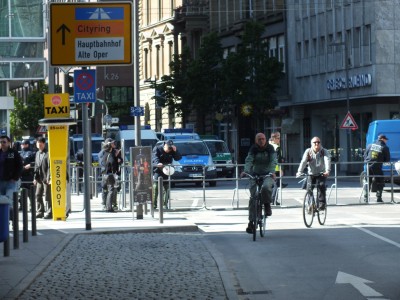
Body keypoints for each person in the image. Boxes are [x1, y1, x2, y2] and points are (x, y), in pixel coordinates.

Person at [241, 133, 276, 234]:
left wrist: (272, 172)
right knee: (253, 197)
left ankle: (267, 204)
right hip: (255, 174)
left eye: (263, 139)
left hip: (267, 174)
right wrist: (246, 171)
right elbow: (249, 160)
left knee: (266, 187)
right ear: (256, 140)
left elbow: (273, 161)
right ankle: (251, 221)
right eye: (259, 139)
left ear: (266, 139)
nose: (262, 141)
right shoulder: (253, 149)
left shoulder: (270, 149)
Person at [296, 137, 331, 210]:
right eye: (315, 142)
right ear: (311, 144)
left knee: (321, 186)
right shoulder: (308, 151)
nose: (317, 144)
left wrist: (327, 171)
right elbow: (303, 162)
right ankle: (311, 204)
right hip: (311, 173)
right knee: (309, 189)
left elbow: (327, 160)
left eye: (318, 142)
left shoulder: (324, 151)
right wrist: (299, 172)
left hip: (321, 173)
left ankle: (322, 204)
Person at [152, 140, 182, 209]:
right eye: (168, 148)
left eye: (170, 148)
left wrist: (176, 151)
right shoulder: (157, 148)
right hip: (158, 170)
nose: (169, 150)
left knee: (166, 188)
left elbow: (178, 158)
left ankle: (164, 205)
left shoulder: (172, 150)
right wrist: (158, 163)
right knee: (156, 187)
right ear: (164, 145)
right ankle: (154, 205)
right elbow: (154, 157)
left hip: (167, 170)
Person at [0, 135, 23, 219]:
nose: (2, 144)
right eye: (1, 142)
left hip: (11, 181)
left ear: (9, 143)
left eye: (4, 142)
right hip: (1, 181)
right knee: (1, 203)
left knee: (9, 202)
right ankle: (4, 222)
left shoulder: (14, 153)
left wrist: (15, 178)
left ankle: (13, 221)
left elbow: (20, 166)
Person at [363, 134, 390, 202]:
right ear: (383, 139)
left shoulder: (370, 145)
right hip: (377, 166)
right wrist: (381, 161)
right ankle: (379, 198)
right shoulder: (384, 147)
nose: (386, 141)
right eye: (386, 139)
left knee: (367, 181)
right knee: (380, 181)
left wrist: (368, 161)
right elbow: (387, 160)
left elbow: (365, 155)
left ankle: (366, 198)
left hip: (368, 165)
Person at [99, 139, 120, 212]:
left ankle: (109, 206)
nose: (114, 145)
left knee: (110, 190)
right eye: (113, 143)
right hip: (109, 174)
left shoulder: (108, 153)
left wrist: (117, 157)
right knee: (110, 190)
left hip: (107, 173)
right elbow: (111, 162)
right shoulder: (108, 154)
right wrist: (116, 157)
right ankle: (108, 207)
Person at [34, 137, 52, 219]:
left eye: (41, 144)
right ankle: (40, 211)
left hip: (46, 178)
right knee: (38, 195)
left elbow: (49, 167)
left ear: (44, 144)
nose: (39, 145)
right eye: (38, 143)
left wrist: (49, 177)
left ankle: (49, 212)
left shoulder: (48, 153)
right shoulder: (37, 153)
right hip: (39, 178)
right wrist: (34, 178)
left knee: (47, 196)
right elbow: (36, 166)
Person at [270, 132, 287, 205]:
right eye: (278, 138)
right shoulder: (276, 147)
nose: (279, 139)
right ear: (274, 139)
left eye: (279, 138)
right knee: (276, 185)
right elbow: (277, 159)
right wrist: (281, 169)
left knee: (271, 185)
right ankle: (273, 199)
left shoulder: (268, 145)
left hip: (268, 168)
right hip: (276, 169)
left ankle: (271, 199)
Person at [19, 139, 36, 210]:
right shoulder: (20, 153)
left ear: (27, 144)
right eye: (21, 144)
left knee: (30, 192)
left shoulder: (32, 153)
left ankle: (32, 206)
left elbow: (37, 162)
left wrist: (30, 164)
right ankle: (22, 206)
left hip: (30, 175)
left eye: (23, 144)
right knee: (22, 192)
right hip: (22, 175)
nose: (22, 146)